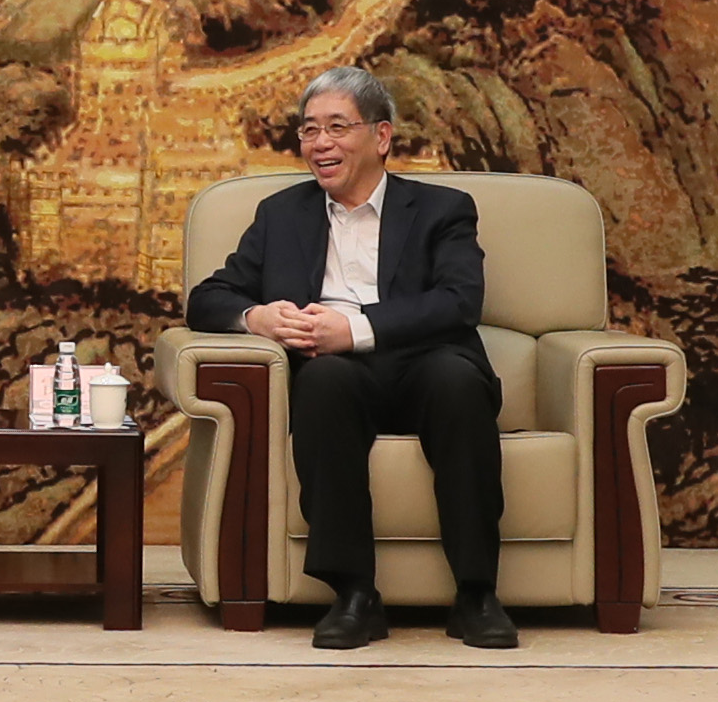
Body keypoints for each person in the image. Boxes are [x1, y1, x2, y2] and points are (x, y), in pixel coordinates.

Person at [186, 66, 513, 651]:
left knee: (457, 384)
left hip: (425, 360)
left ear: (381, 137)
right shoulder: (281, 214)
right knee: (322, 383)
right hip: (336, 375)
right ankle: (354, 594)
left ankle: (476, 594)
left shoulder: (442, 209)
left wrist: (356, 329)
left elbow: (460, 300)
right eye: (309, 130)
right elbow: (208, 298)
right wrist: (257, 318)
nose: (320, 143)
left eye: (337, 127)